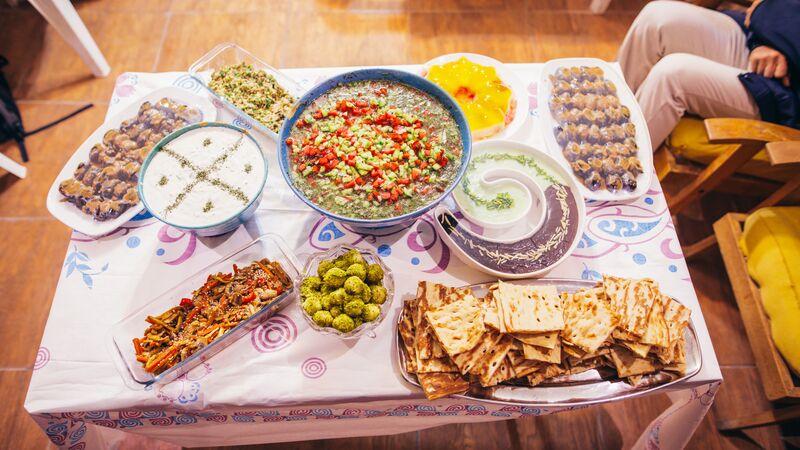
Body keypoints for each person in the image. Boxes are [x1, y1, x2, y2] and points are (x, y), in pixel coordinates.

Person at [617, 0, 800, 149]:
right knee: (656, 17)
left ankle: (612, 171)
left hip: (785, 92)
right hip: (762, 36)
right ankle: (608, 121)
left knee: (674, 75)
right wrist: (766, 38)